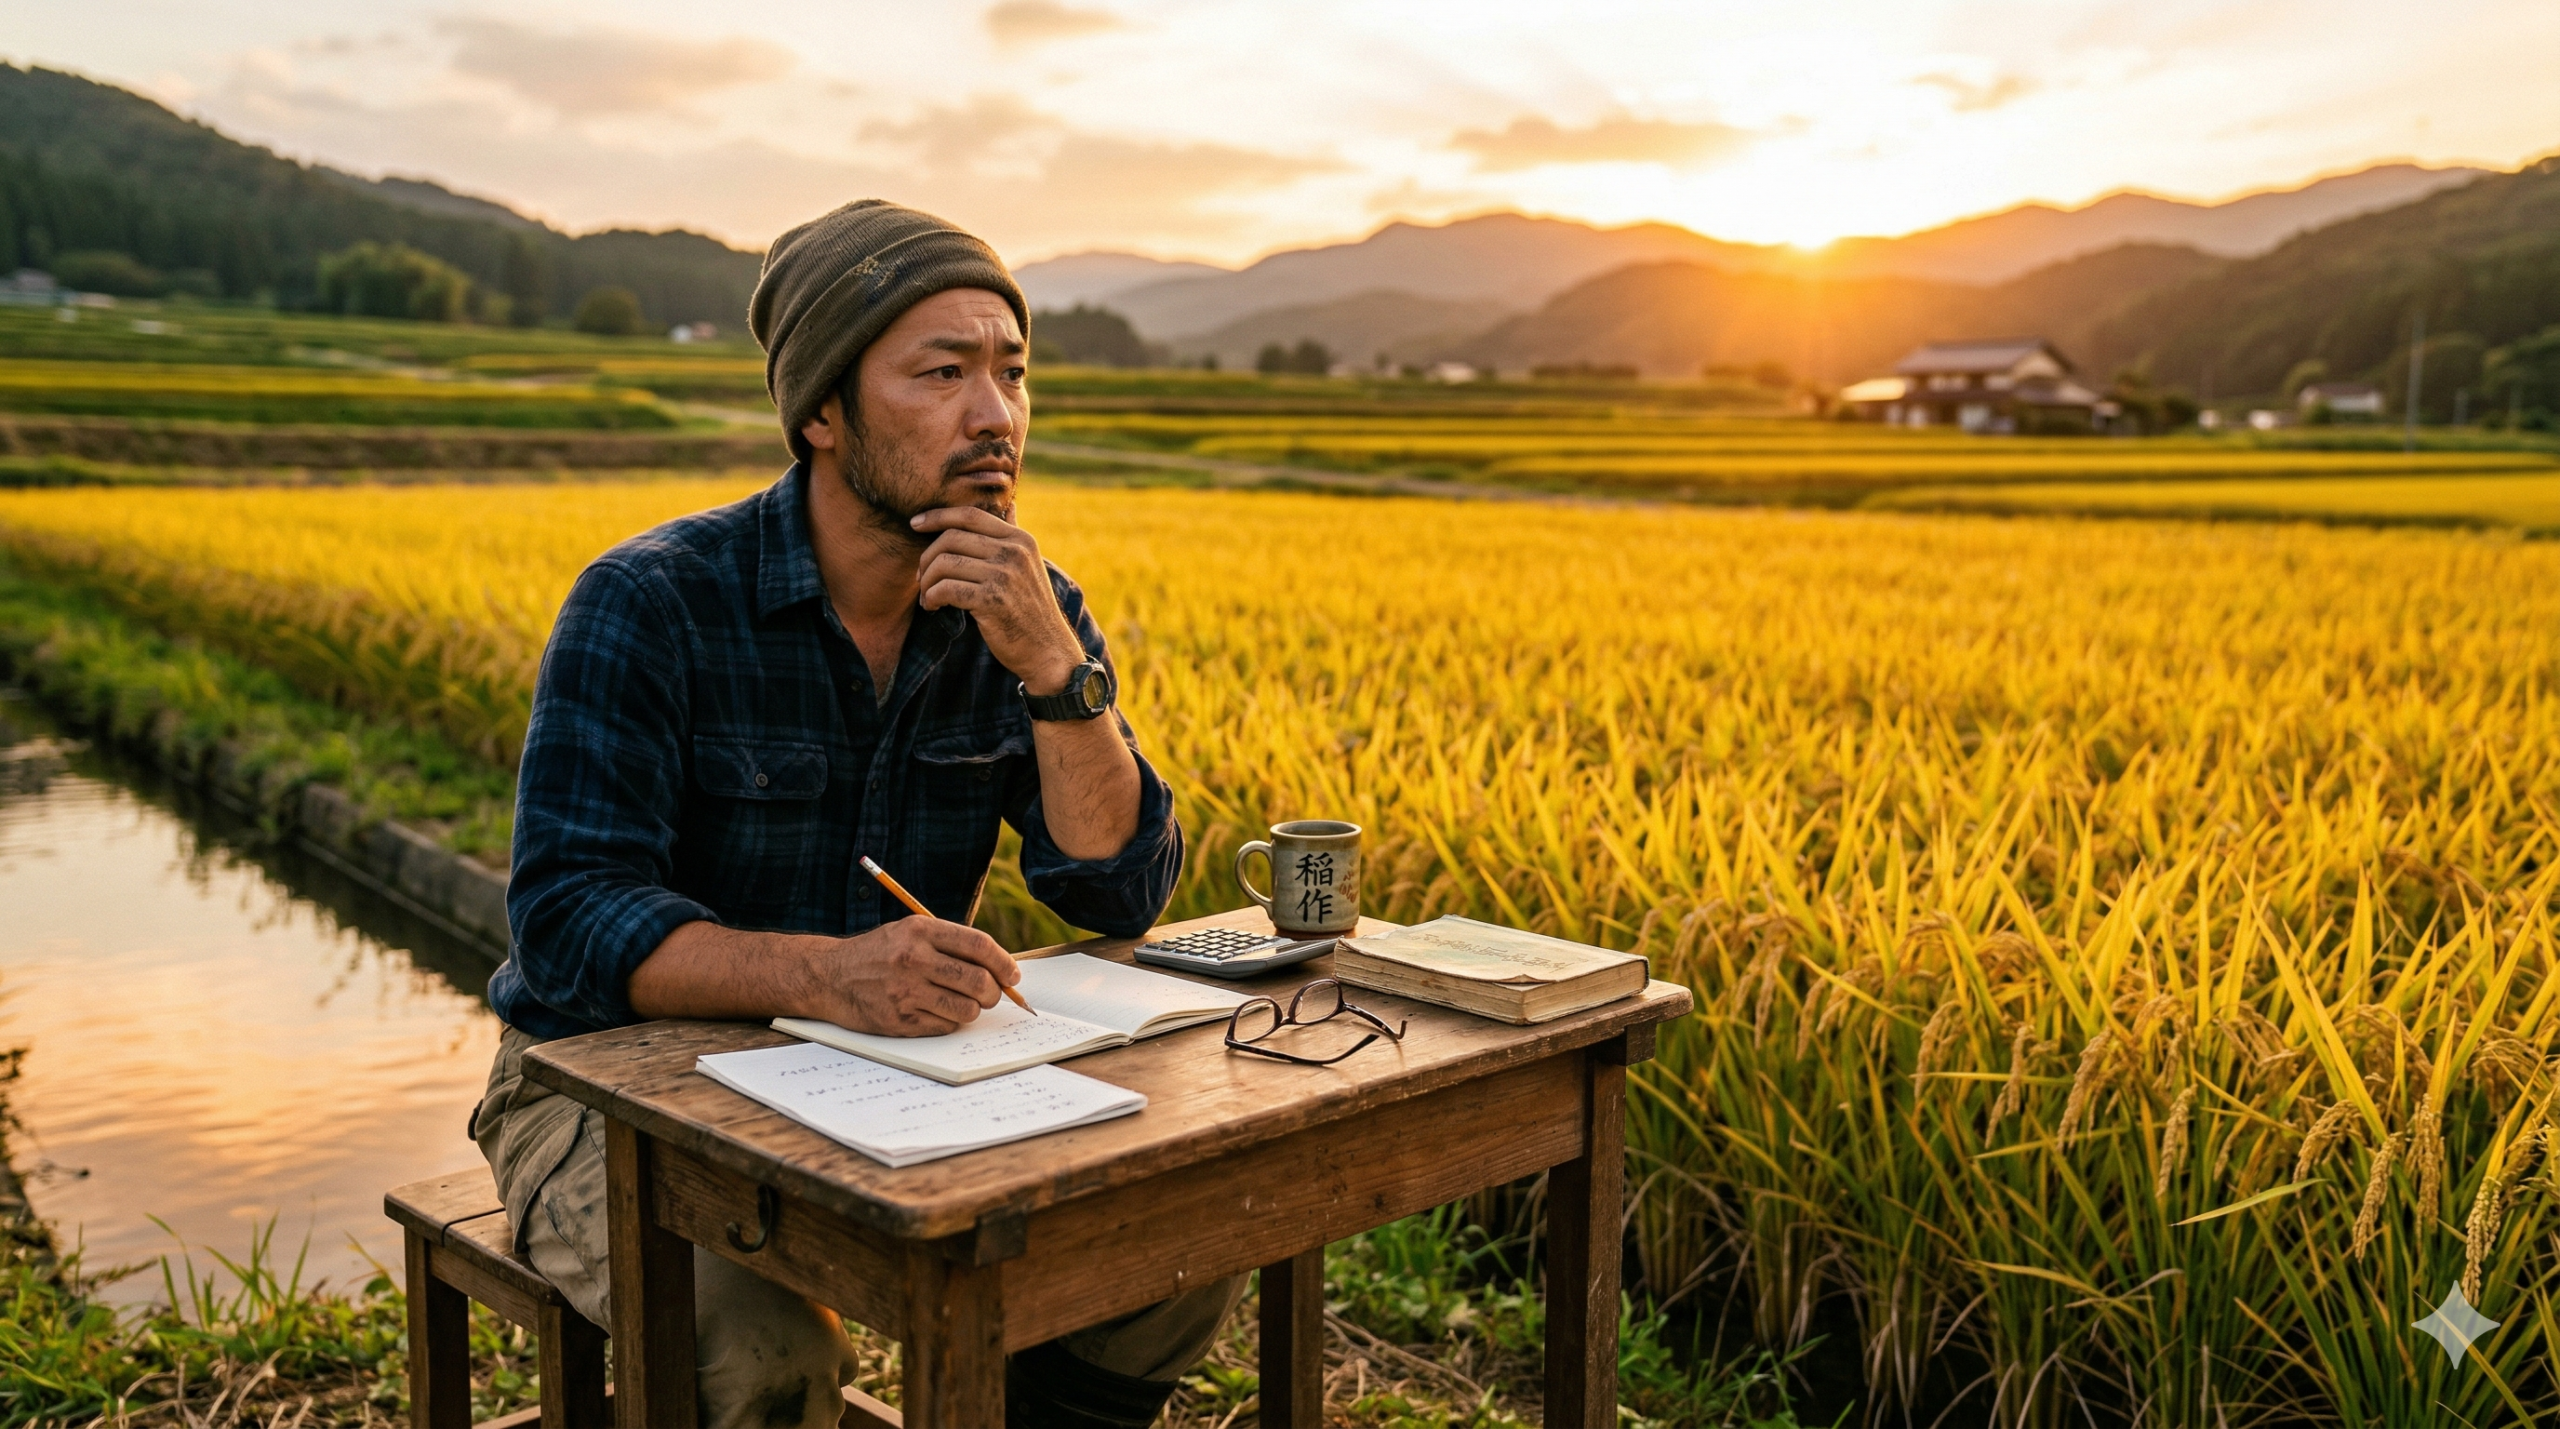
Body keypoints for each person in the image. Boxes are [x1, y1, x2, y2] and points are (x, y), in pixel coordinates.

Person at [470, 199, 1240, 1429]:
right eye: (941, 373)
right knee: (761, 1352)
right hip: (597, 1080)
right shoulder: (651, 603)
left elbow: (1113, 892)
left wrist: (1057, 672)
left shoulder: (1029, 610)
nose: (994, 414)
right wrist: (834, 977)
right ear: (822, 412)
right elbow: (568, 922)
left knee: (1167, 1264)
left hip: (891, 1075)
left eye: (1010, 371)